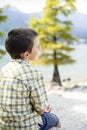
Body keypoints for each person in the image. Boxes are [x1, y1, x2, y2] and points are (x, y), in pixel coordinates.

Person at [0, 28, 61, 130]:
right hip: (27, 126)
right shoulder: (34, 74)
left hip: (4, 126)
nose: (40, 49)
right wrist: (44, 109)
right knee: (55, 120)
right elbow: (40, 111)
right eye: (38, 46)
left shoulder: (3, 71)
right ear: (26, 54)